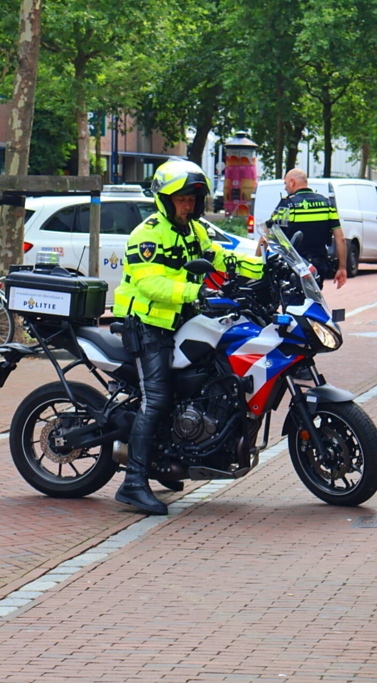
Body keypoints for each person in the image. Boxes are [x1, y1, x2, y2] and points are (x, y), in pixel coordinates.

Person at [112, 159, 263, 515]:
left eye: (193, 199)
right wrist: (194, 293)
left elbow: (221, 258)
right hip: (147, 325)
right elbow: (150, 282)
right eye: (182, 199)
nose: (189, 205)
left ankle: (175, 452)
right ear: (165, 200)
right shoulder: (148, 234)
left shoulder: (193, 231)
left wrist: (263, 265)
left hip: (180, 321)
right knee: (158, 398)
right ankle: (133, 482)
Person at [269, 169, 347, 289]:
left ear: (292, 182)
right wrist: (342, 268)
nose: (285, 188)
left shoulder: (287, 205)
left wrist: (258, 260)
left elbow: (269, 234)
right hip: (318, 264)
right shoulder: (326, 204)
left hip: (293, 265)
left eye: (285, 183)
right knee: (314, 298)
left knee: (293, 303)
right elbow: (340, 238)